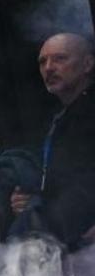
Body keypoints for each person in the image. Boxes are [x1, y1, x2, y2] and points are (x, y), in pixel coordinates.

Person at [8, 32, 95, 262]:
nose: (49, 68)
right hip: (67, 247)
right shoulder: (60, 120)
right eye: (42, 62)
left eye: (60, 59)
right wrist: (33, 200)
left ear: (87, 64)